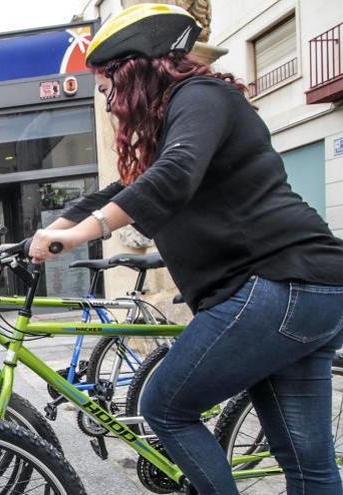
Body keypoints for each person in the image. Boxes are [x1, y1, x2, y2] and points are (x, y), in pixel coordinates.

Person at [28, 4, 343, 494]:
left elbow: (173, 177)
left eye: (109, 91)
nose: (110, 106)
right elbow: (122, 189)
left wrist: (82, 233)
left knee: (165, 406)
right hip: (304, 291)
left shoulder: (200, 95)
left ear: (134, 72)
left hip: (278, 284)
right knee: (308, 464)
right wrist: (54, 228)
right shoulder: (181, 118)